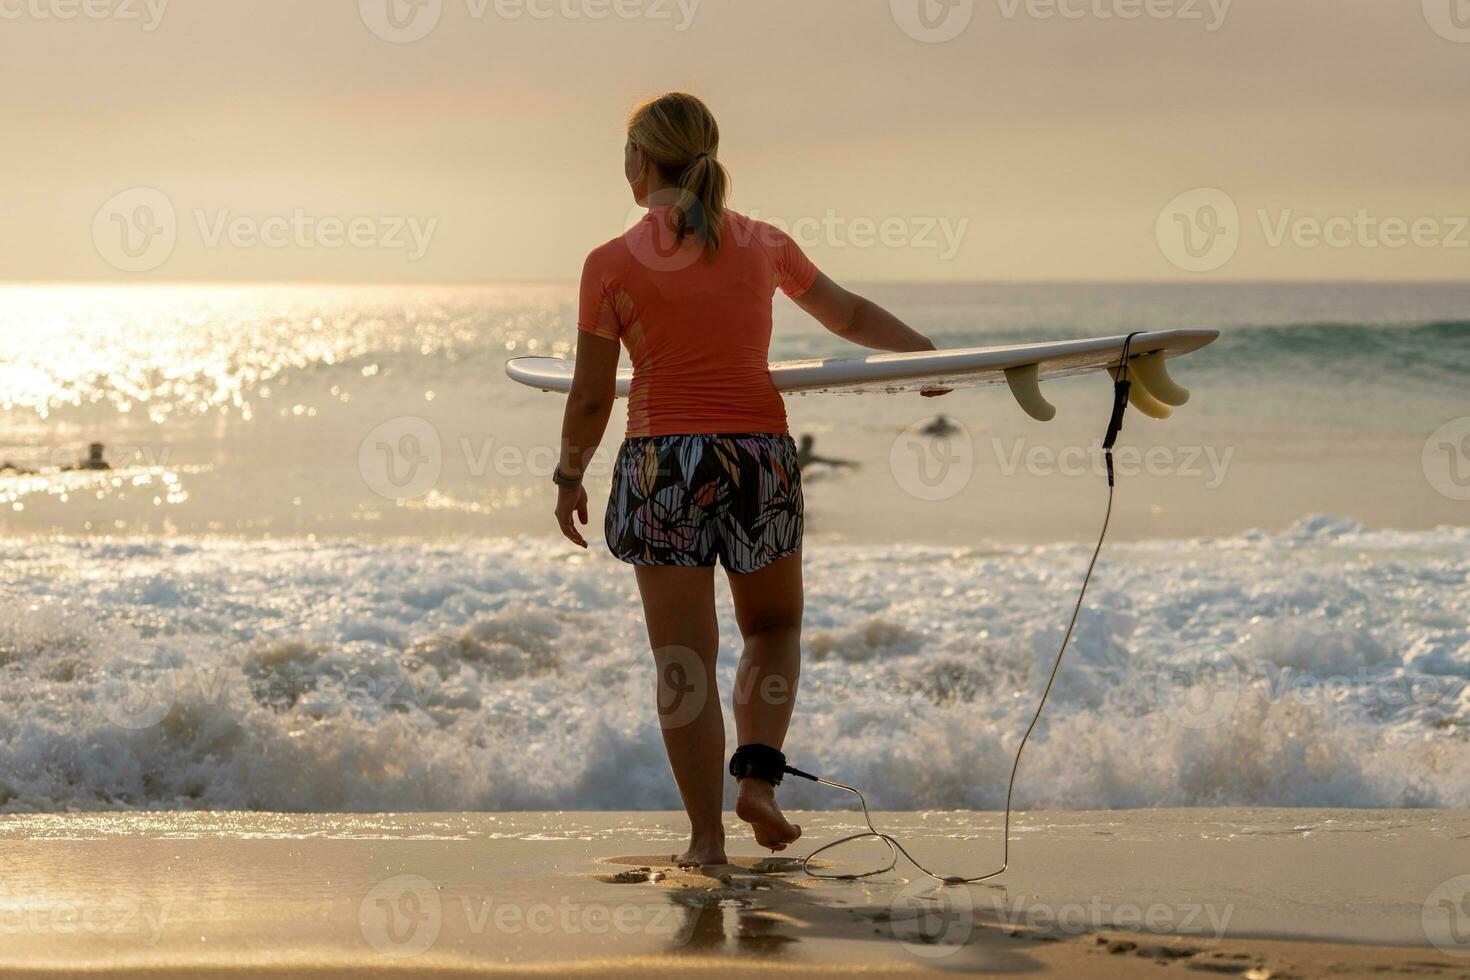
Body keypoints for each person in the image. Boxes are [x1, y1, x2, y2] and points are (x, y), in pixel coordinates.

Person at [551, 93, 942, 867]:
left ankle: (705, 841)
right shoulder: (763, 243)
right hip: (758, 458)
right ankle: (758, 777)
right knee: (773, 630)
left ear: (639, 160)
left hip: (664, 465)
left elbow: (594, 394)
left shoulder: (610, 263)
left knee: (683, 662)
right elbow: (852, 317)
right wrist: (922, 355)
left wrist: (568, 475)